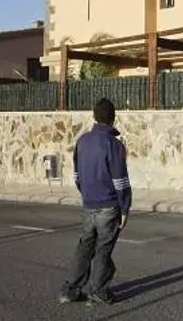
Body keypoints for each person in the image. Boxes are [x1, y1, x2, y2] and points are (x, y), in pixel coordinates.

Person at [59, 97, 131, 306]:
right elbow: (120, 181)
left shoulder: (82, 141)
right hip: (108, 206)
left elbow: (77, 176)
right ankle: (98, 290)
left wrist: (87, 193)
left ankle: (70, 290)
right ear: (113, 118)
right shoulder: (114, 145)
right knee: (103, 249)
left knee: (84, 246)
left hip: (89, 203)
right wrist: (125, 208)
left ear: (94, 116)